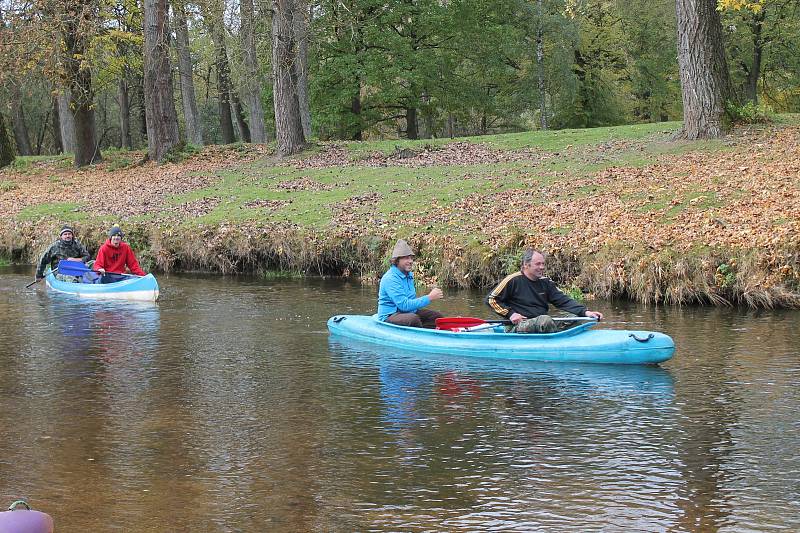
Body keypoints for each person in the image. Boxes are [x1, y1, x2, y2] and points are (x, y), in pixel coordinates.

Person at [486, 249, 603, 333]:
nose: (542, 267)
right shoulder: (513, 280)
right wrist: (511, 314)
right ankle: (556, 339)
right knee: (545, 320)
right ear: (526, 265)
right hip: (517, 326)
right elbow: (491, 299)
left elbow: (563, 301)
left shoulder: (546, 282)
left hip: (541, 324)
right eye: (538, 264)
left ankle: (561, 336)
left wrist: (586, 312)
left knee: (573, 318)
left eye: (543, 264)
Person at [377, 239, 444, 328]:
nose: (410, 261)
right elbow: (404, 305)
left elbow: (410, 302)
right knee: (413, 319)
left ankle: (435, 335)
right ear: (397, 260)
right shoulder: (391, 278)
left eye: (411, 258)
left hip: (407, 313)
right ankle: (420, 336)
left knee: (436, 317)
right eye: (406, 258)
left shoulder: (409, 275)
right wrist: (429, 297)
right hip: (390, 315)